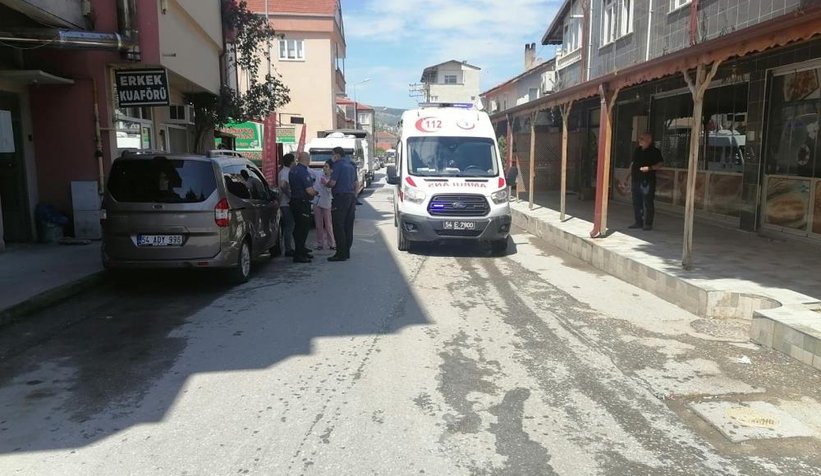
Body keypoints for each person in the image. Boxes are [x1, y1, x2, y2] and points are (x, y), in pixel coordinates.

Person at [625, 132, 664, 230]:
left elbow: (660, 164)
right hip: (636, 180)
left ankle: (648, 224)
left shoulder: (655, 151)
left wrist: (650, 168)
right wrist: (626, 177)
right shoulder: (637, 150)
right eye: (639, 138)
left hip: (647, 181)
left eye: (642, 138)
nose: (640, 140)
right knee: (636, 202)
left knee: (648, 202)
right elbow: (632, 164)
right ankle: (638, 222)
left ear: (649, 140)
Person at [325, 146, 357, 262]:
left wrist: (326, 184)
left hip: (340, 198)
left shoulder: (338, 166)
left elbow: (333, 183)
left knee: (338, 226)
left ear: (337, 155)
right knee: (348, 226)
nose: (332, 157)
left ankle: (340, 253)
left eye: (332, 154)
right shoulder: (351, 165)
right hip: (350, 197)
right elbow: (355, 183)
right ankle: (347, 251)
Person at [288, 152, 318, 263]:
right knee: (303, 229)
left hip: (295, 201)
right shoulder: (303, 172)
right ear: (307, 159)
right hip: (302, 202)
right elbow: (309, 190)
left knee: (298, 228)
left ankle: (301, 250)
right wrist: (316, 192)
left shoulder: (293, 170)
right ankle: (299, 254)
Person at [312, 159, 336, 251]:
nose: (324, 168)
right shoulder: (319, 174)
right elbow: (310, 171)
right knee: (318, 224)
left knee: (328, 224)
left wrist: (326, 184)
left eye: (327, 167)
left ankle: (332, 243)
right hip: (317, 201)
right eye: (324, 166)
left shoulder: (332, 178)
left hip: (326, 202)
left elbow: (331, 191)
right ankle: (320, 243)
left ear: (331, 169)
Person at [278, 153, 296, 256]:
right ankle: (288, 249)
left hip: (285, 202)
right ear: (291, 162)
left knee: (290, 225)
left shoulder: (284, 171)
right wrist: (290, 196)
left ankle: (289, 247)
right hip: (286, 203)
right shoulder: (286, 172)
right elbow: (283, 186)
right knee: (290, 225)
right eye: (294, 160)